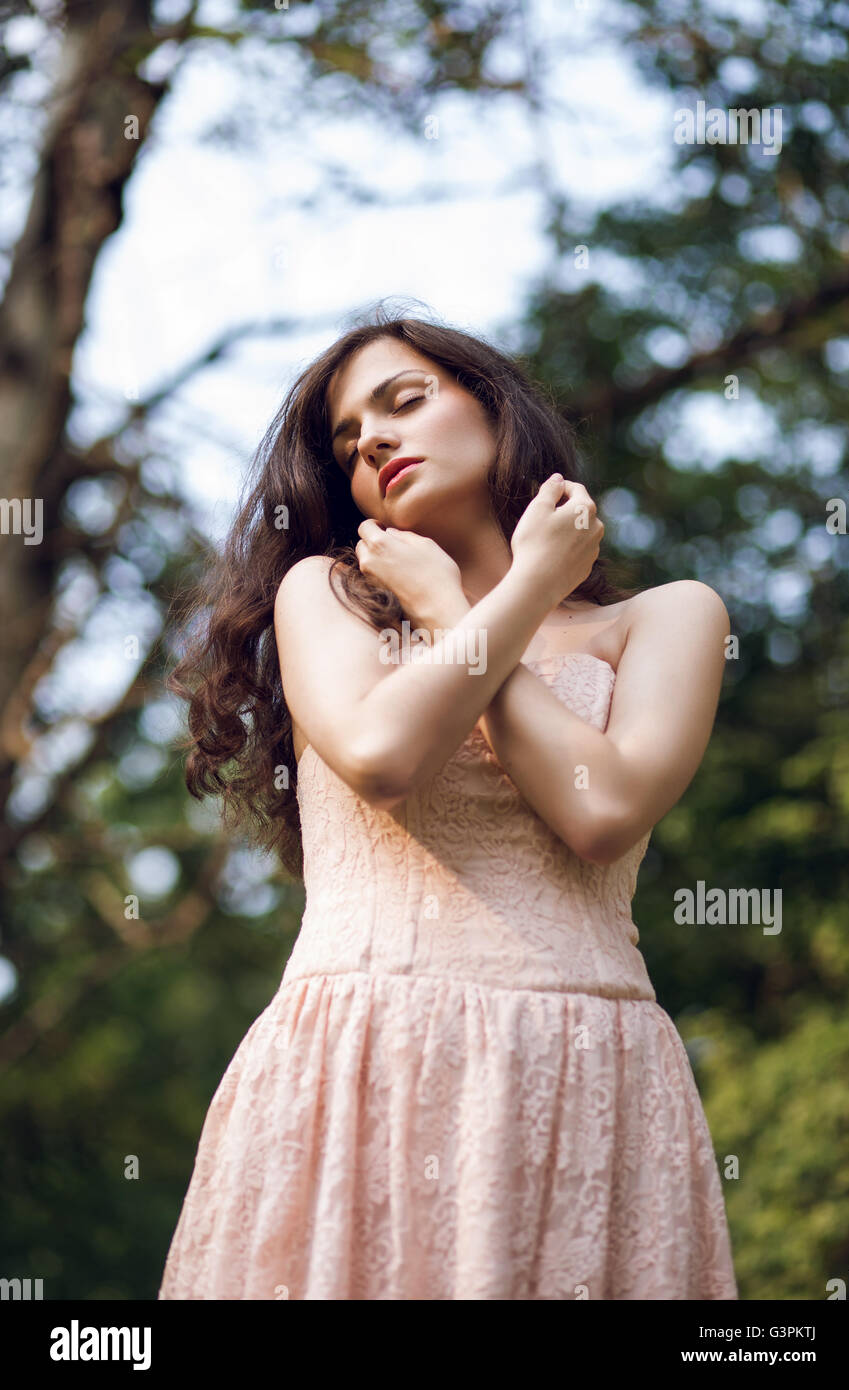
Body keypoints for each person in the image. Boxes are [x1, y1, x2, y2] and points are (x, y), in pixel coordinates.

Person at [158, 306, 738, 1300]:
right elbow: (383, 754)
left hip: (589, 1071)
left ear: (496, 409)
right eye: (347, 441)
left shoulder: (667, 618)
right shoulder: (322, 596)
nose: (373, 439)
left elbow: (599, 815)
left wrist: (459, 612)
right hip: (361, 1056)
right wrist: (493, 603)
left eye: (404, 400)